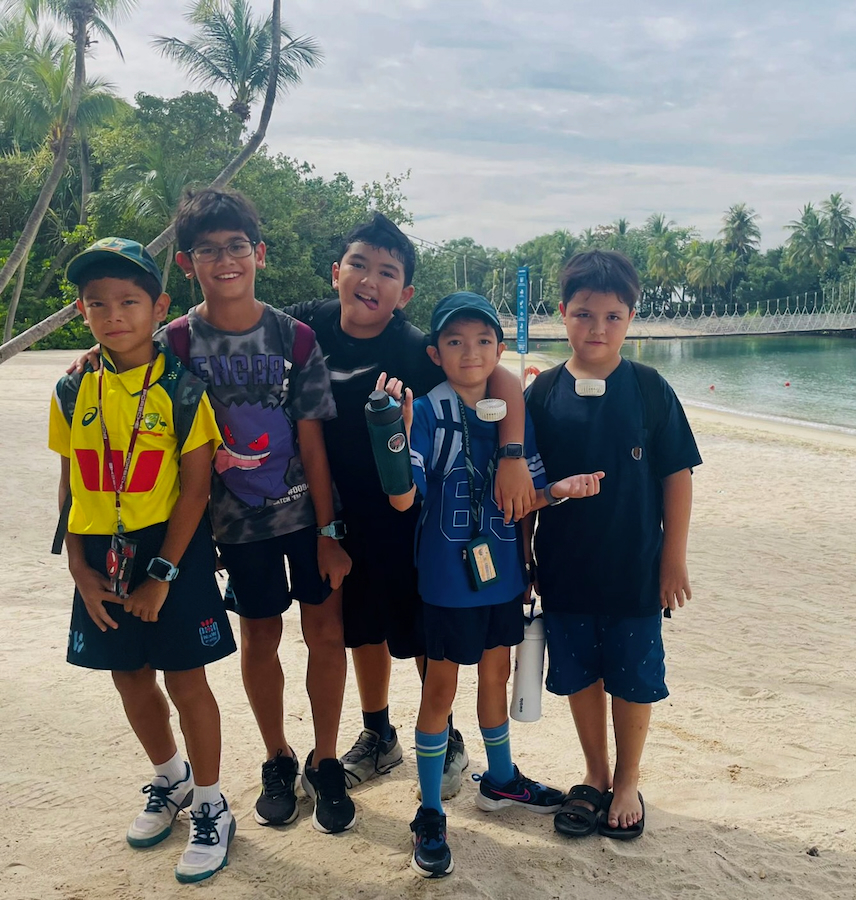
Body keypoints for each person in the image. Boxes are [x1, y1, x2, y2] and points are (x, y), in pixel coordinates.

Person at [281, 214, 536, 800]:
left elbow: (497, 375)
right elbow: (234, 324)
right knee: (362, 629)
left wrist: (513, 455)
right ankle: (378, 734)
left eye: (387, 272)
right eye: (359, 265)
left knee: (422, 630)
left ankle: (444, 735)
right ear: (336, 272)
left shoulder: (414, 349)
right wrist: (120, 346)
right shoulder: (306, 324)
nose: (370, 281)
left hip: (409, 514)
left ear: (405, 293)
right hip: (333, 507)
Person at [381, 291, 604, 878]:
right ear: (435, 353)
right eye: (455, 341)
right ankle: (430, 809)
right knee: (439, 690)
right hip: (447, 580)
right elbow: (403, 498)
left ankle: (500, 778)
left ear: (500, 350)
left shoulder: (510, 416)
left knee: (496, 673)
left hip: (502, 573)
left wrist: (558, 493)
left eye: (483, 340)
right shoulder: (429, 411)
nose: (470, 352)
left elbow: (525, 497)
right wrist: (393, 436)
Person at [169, 187, 355, 834]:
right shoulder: (175, 344)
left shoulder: (293, 338)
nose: (225, 261)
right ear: (186, 262)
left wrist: (330, 531)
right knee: (260, 637)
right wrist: (89, 362)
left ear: (260, 254)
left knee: (325, 634)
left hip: (306, 517)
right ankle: (277, 756)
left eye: (237, 246)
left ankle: (326, 760)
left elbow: (313, 441)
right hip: (236, 526)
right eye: (208, 250)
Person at [49, 238, 235, 883]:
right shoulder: (72, 389)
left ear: (159, 307)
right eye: (97, 303)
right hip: (100, 552)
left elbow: (196, 490)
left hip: (168, 551)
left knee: (185, 680)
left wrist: (162, 575)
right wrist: (78, 567)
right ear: (81, 311)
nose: (113, 315)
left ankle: (211, 804)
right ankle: (170, 777)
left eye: (129, 301)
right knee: (128, 674)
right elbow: (70, 484)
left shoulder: (182, 390)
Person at [524, 250, 701, 841]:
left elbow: (677, 476)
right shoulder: (542, 394)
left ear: (630, 318)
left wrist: (673, 559)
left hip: (635, 567)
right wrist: (526, 557)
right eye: (583, 314)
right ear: (562, 313)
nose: (597, 328)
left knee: (632, 676)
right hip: (565, 567)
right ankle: (595, 774)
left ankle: (627, 779)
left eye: (612, 316)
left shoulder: (649, 389)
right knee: (579, 675)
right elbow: (524, 483)